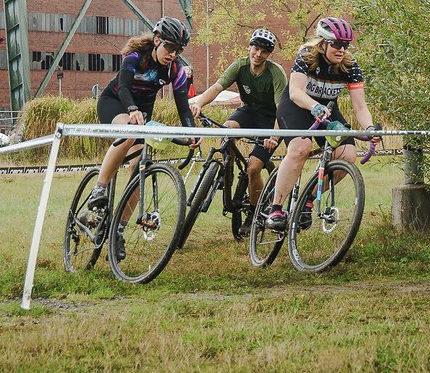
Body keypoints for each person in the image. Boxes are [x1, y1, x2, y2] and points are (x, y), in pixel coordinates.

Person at [86, 17, 198, 256]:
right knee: (128, 134)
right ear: (157, 40)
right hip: (116, 103)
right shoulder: (136, 57)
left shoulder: (175, 69)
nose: (173, 53)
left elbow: (183, 108)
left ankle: (118, 231)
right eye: (169, 47)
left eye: (178, 50)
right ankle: (100, 188)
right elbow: (124, 87)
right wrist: (132, 109)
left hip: (143, 111)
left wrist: (192, 132)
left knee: (140, 170)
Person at [265, 16, 379, 231]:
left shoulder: (350, 66)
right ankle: (276, 208)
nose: (341, 50)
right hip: (297, 106)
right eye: (336, 44)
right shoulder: (307, 56)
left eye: (345, 45)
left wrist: (369, 128)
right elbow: (296, 92)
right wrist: (313, 107)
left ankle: (306, 200)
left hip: (327, 109)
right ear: (323, 42)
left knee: (347, 155)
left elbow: (360, 107)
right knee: (301, 148)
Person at [190, 28, 286, 214]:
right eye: (255, 48)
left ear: (269, 54)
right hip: (249, 112)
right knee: (226, 131)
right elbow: (217, 87)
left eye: (264, 51)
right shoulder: (240, 66)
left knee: (253, 168)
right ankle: (229, 168)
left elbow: (282, 110)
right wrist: (199, 103)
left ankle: (253, 212)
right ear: (249, 47)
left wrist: (274, 137)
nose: (258, 54)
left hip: (271, 119)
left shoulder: (276, 73)